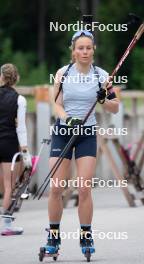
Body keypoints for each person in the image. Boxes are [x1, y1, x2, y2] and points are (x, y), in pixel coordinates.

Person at [41, 30, 119, 257]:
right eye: (80, 48)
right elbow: (56, 104)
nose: (84, 52)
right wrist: (68, 119)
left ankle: (86, 237)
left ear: (93, 49)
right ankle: (53, 238)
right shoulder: (63, 73)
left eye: (88, 47)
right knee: (57, 187)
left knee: (84, 188)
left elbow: (115, 107)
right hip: (63, 132)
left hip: (86, 134)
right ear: (73, 51)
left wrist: (105, 98)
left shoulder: (102, 75)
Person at [0, 63, 32, 235]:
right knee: (9, 185)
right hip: (8, 144)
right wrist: (25, 151)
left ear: (1, 77)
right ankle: (7, 225)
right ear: (16, 78)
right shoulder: (20, 100)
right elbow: (21, 128)